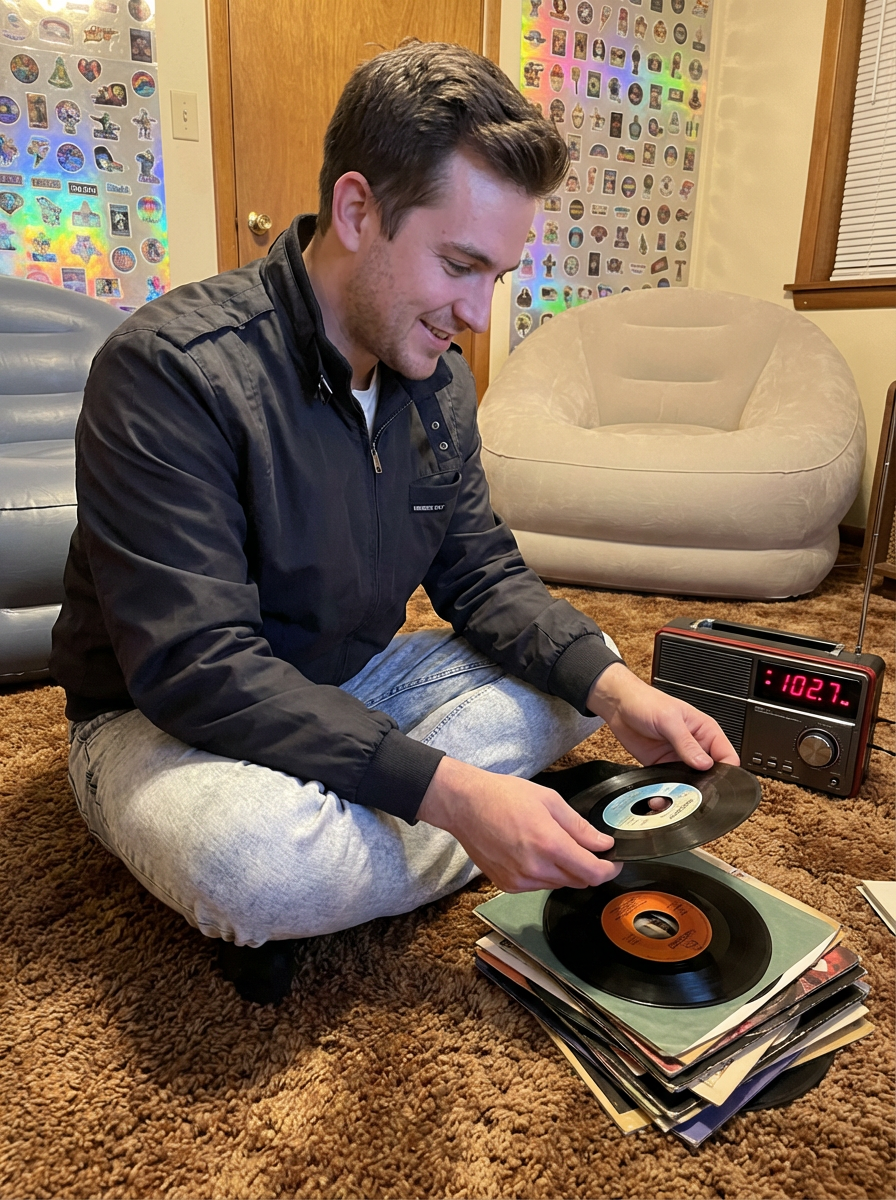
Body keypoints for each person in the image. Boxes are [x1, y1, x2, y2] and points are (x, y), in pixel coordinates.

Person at [50, 42, 737, 1005]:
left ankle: (375, 846)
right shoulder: (169, 371)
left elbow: (481, 575)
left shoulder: (437, 380)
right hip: (158, 717)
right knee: (252, 862)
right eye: (460, 265)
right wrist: (457, 793)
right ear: (357, 210)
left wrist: (622, 694)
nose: (479, 316)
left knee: (590, 679)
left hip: (350, 682)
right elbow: (196, 665)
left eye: (496, 275)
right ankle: (431, 838)